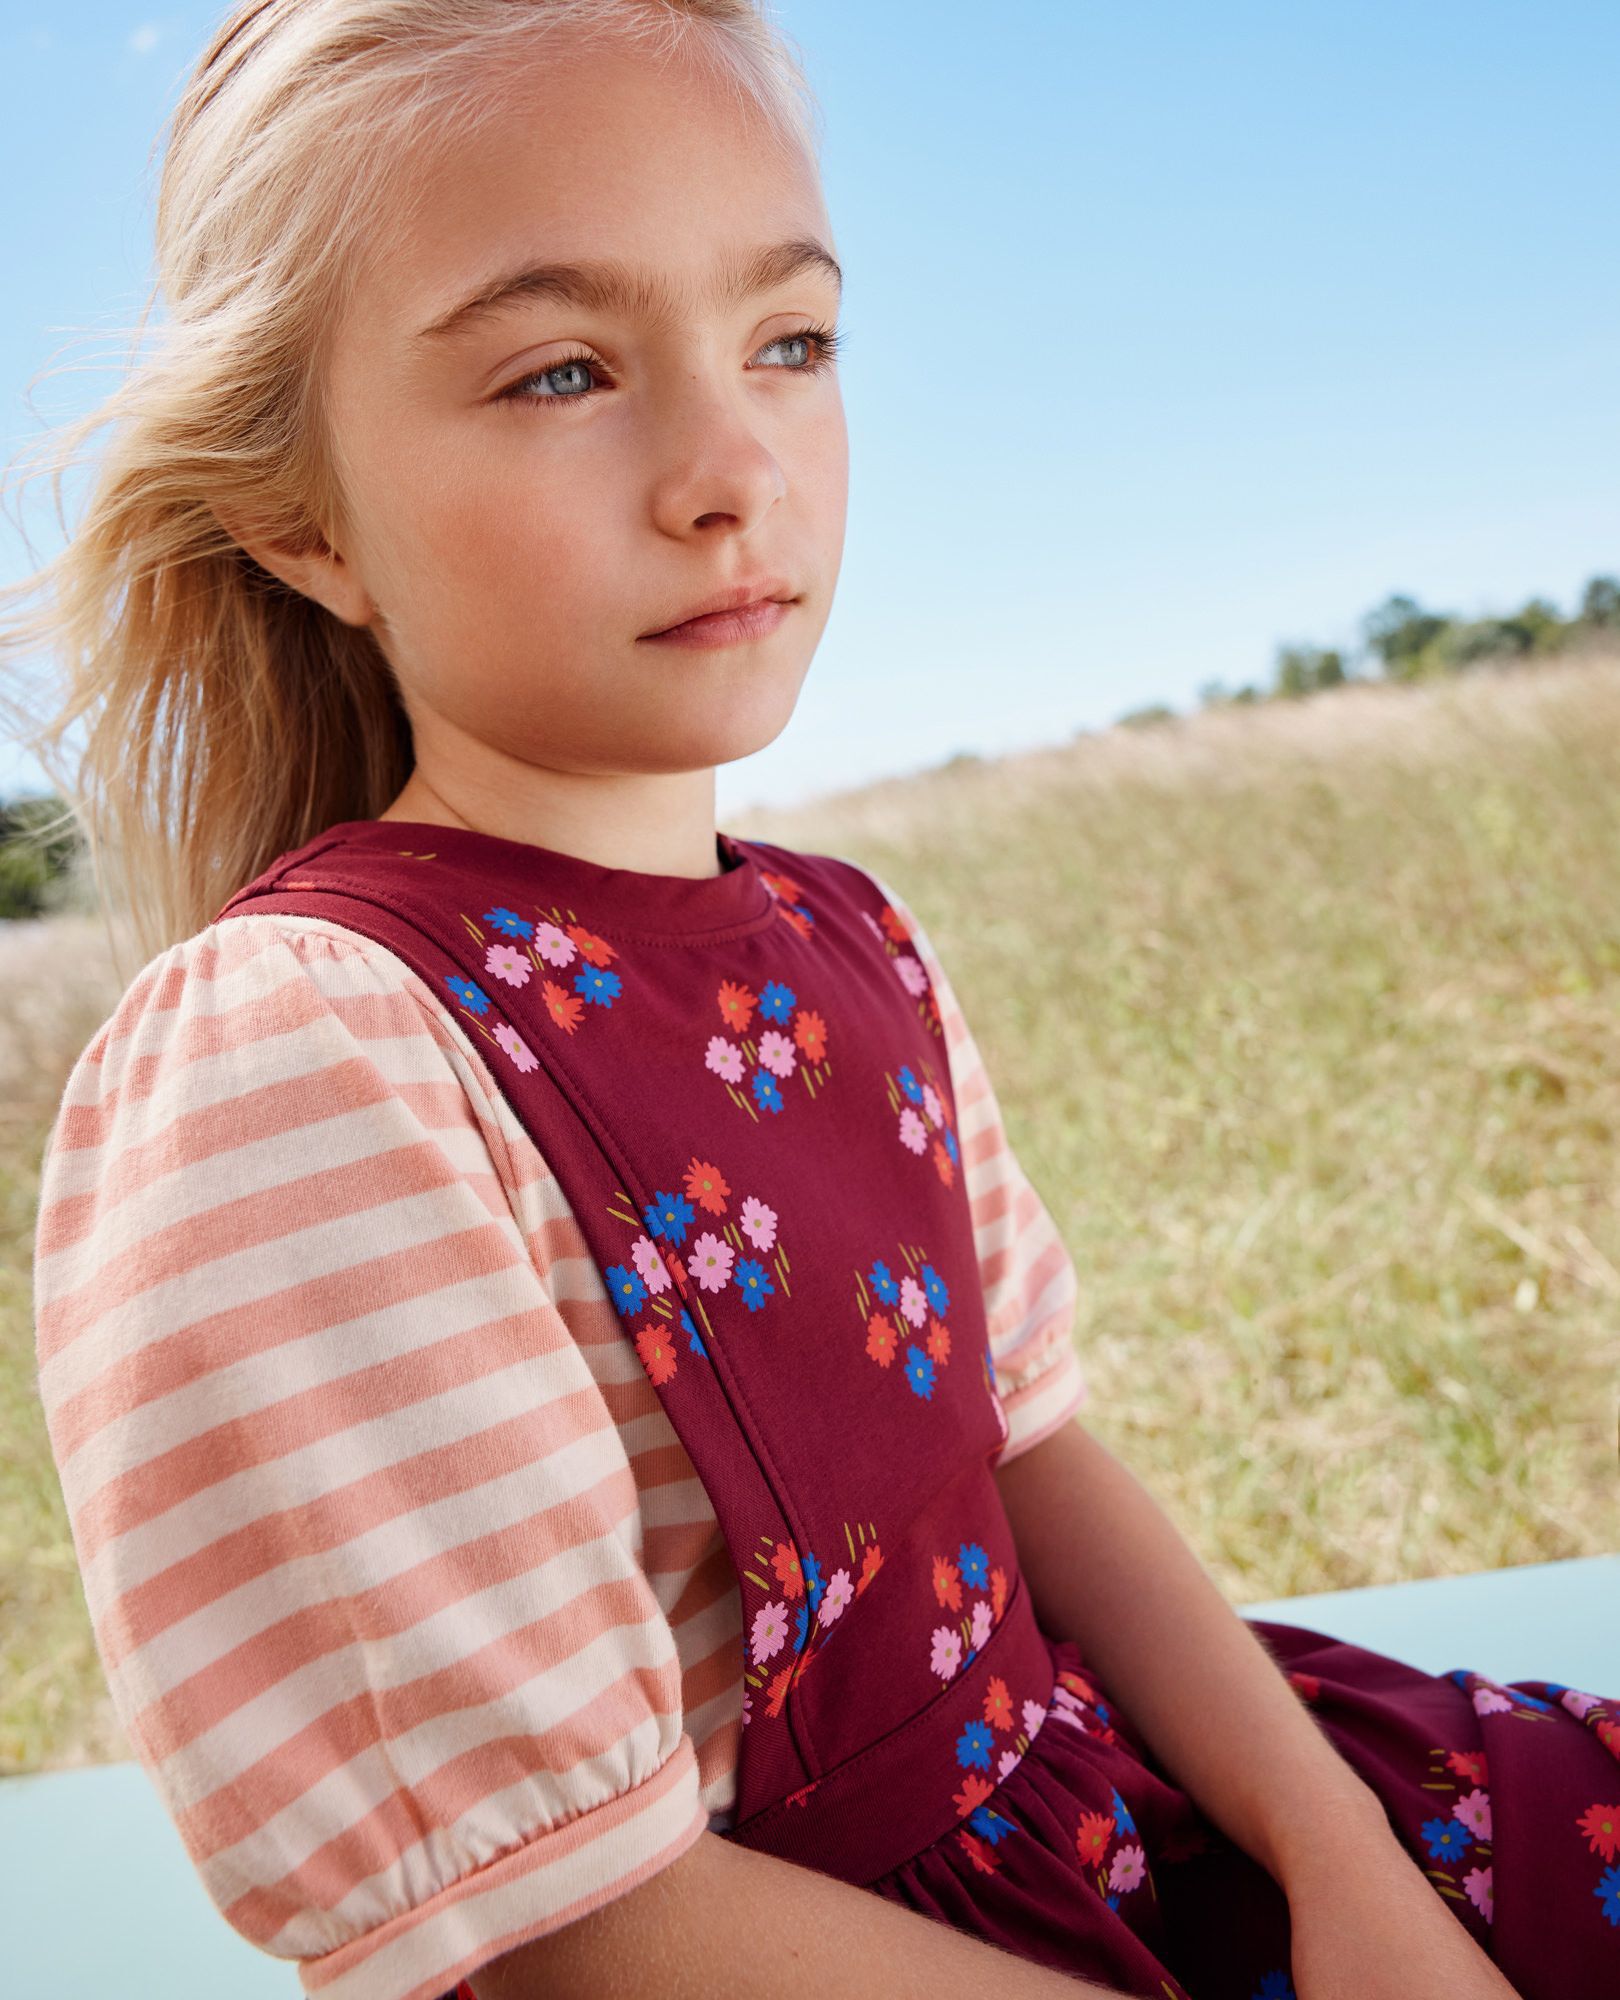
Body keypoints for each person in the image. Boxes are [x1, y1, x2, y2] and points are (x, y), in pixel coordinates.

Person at [8, 5, 1617, 1998]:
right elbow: (584, 1926)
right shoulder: (304, 1063)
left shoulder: (853, 939)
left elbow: (1034, 1457)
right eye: (562, 370)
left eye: (789, 341)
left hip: (1133, 1804)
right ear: (302, 517)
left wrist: (1338, 1853)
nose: (726, 467)